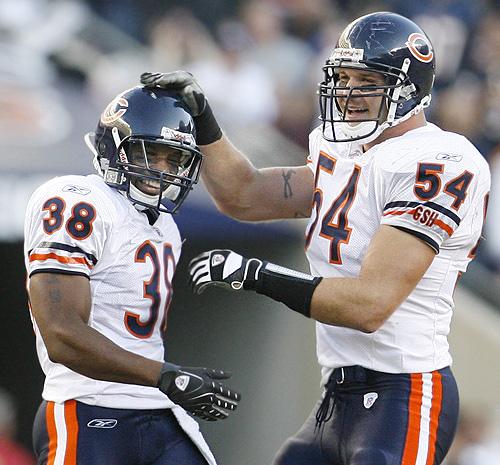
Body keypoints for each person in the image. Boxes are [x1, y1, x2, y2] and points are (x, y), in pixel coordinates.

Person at [140, 11, 491, 465]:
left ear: (410, 89)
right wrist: (204, 120)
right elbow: (245, 195)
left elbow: (370, 306)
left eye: (367, 81)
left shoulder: (438, 160)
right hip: (336, 395)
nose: (349, 92)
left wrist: (256, 275)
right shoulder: (341, 149)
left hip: (404, 393)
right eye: (343, 78)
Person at [24, 85, 240, 465]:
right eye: (149, 154)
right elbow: (61, 334)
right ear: (114, 146)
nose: (161, 170)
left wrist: (163, 380)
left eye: (173, 159)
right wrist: (166, 375)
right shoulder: (78, 200)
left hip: (158, 411)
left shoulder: (165, 225)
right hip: (88, 407)